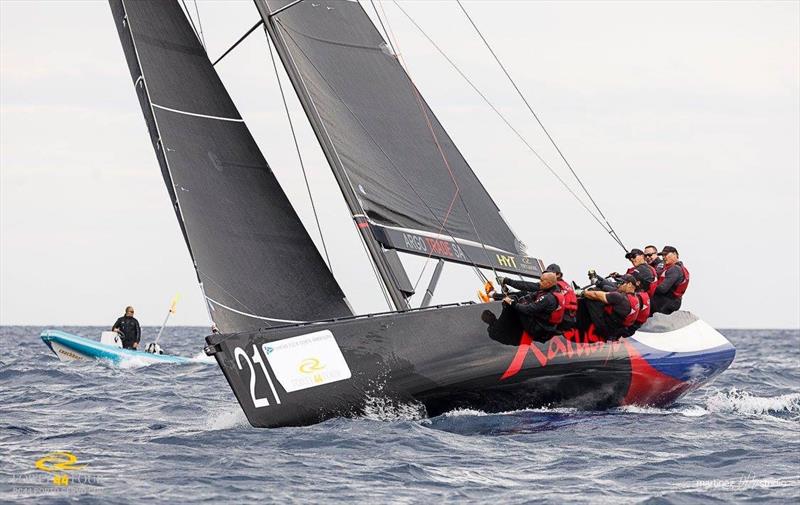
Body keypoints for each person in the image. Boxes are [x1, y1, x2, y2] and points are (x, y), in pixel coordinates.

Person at [497, 264, 577, 330]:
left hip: (560, 322)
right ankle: (499, 295)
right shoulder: (565, 285)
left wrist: (507, 281)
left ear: (558, 275)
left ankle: (495, 296)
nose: (547, 275)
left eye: (551, 273)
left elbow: (528, 286)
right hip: (571, 319)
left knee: (524, 299)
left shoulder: (552, 286)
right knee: (527, 295)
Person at [502, 272, 565, 342]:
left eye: (541, 281)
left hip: (540, 330)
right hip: (548, 327)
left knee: (516, 306)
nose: (539, 282)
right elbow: (530, 295)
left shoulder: (548, 298)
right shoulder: (553, 291)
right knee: (517, 298)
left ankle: (507, 330)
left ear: (548, 283)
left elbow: (527, 310)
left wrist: (511, 302)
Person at [577, 274, 640, 340]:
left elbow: (595, 295)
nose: (618, 285)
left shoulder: (620, 298)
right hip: (617, 330)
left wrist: (581, 292)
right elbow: (613, 292)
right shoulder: (635, 299)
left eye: (621, 283)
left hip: (606, 329)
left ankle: (578, 327)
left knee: (591, 298)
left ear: (629, 284)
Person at [652, 246, 690, 315]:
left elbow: (662, 289)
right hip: (672, 302)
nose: (663, 257)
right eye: (662, 255)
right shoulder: (676, 267)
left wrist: (648, 288)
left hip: (667, 302)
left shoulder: (675, 269)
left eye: (666, 254)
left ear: (675, 254)